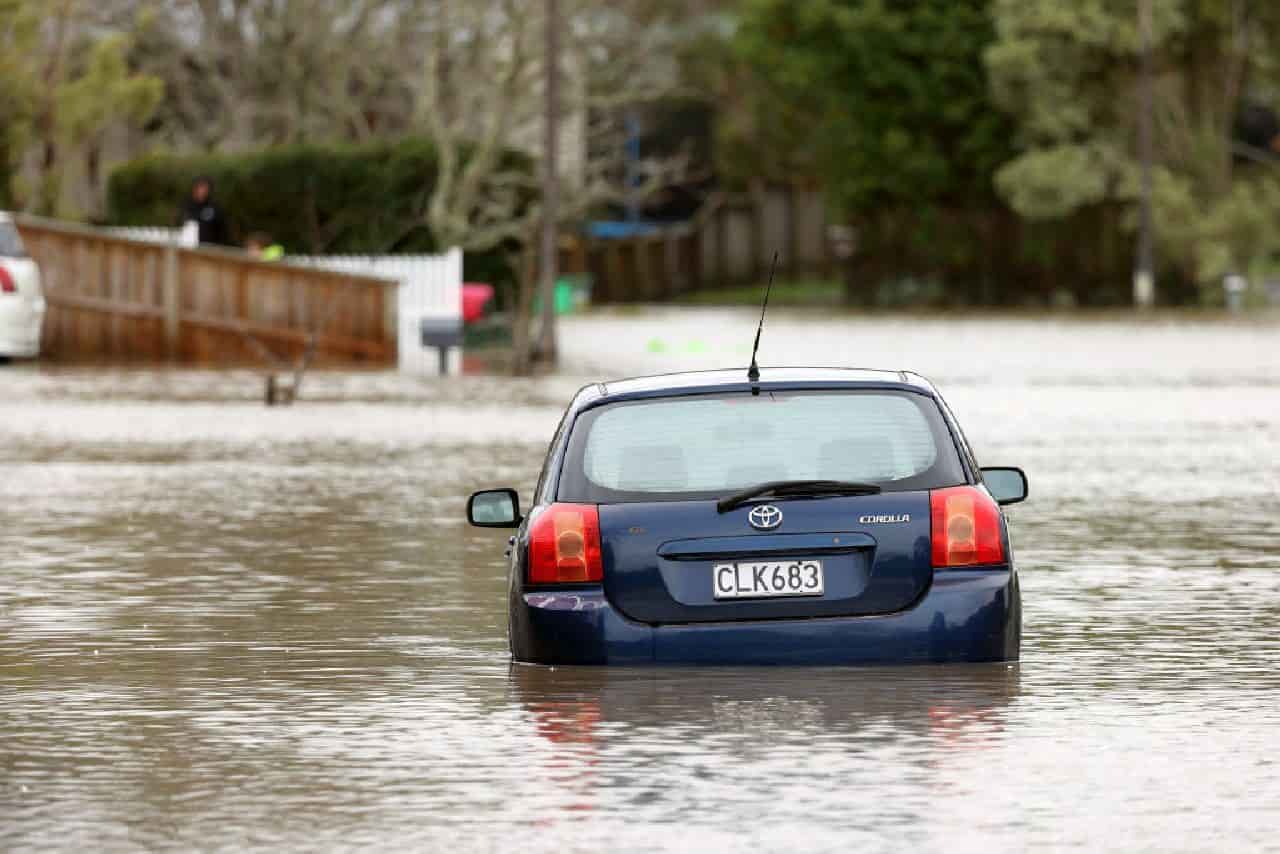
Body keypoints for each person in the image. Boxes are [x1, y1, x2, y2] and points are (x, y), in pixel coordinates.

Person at [181, 177, 230, 246]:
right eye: (199, 188)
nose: (202, 191)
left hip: (211, 248)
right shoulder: (187, 206)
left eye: (204, 188)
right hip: (190, 246)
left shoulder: (215, 208)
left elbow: (223, 230)